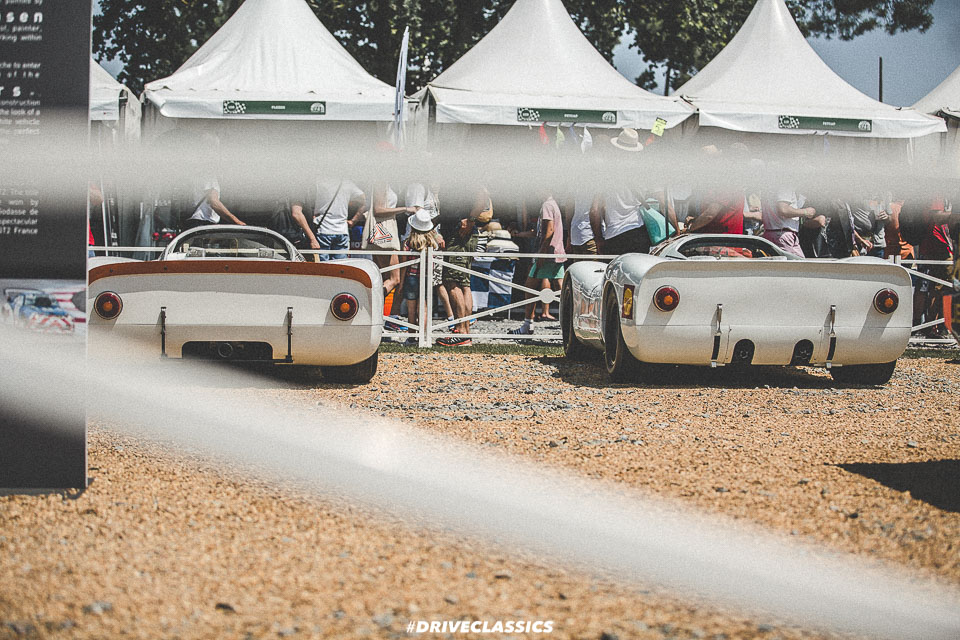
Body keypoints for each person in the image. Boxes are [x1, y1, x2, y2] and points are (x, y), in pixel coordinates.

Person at [437, 186, 491, 346]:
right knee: (463, 283)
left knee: (453, 282)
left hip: (459, 234)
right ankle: (464, 330)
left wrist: (471, 219)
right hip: (458, 231)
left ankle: (461, 331)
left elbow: (482, 193)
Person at [511, 192, 566, 336]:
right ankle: (568, 322)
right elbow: (540, 232)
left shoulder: (547, 205)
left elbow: (549, 231)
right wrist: (520, 235)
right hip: (557, 253)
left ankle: (527, 324)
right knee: (561, 288)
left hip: (547, 254)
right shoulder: (553, 204)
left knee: (530, 287)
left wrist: (542, 252)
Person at [589, 129, 649, 255]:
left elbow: (595, 210)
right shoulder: (642, 173)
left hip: (615, 235)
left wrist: (598, 239)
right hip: (638, 231)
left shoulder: (605, 174)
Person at [364, 183, 416, 296]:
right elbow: (378, 210)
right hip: (383, 231)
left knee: (384, 278)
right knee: (394, 279)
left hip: (382, 231)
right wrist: (406, 209)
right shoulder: (382, 183)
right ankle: (373, 302)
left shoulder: (388, 184)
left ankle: (375, 308)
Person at [400, 209, 442, 346]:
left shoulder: (408, 243)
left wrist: (401, 283)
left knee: (411, 309)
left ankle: (412, 337)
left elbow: (404, 265)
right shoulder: (432, 243)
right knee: (423, 307)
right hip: (427, 277)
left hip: (411, 277)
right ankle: (423, 336)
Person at [307, 178, 365, 261]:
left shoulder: (319, 182)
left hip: (323, 228)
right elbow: (363, 201)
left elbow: (308, 202)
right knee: (340, 266)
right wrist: (353, 220)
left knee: (323, 268)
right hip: (342, 230)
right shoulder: (347, 183)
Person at [762, 188, 817, 257]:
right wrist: (806, 212)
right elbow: (784, 210)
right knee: (797, 266)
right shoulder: (785, 185)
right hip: (782, 235)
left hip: (774, 234)